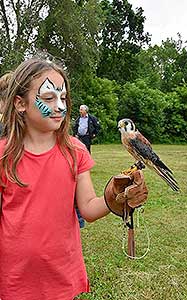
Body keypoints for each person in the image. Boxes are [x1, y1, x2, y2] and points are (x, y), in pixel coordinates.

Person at [0, 58, 148, 300]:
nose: (60, 106)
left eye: (63, 98)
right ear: (20, 103)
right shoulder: (3, 155)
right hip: (13, 278)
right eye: (48, 98)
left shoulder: (75, 151)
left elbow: (88, 207)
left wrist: (114, 198)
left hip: (60, 275)